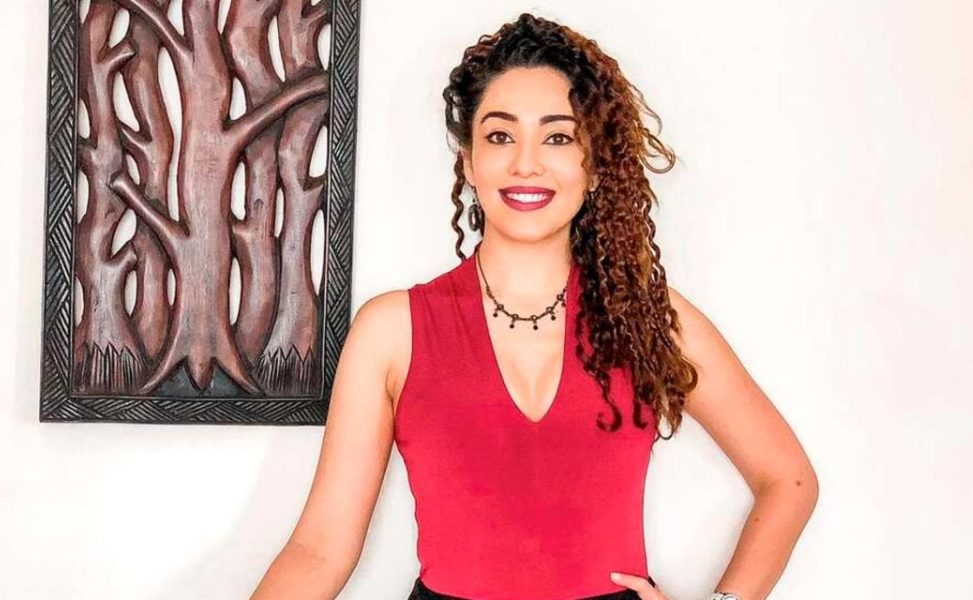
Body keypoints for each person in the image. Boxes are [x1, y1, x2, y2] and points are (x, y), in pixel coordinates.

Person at [251, 12, 818, 600]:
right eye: (500, 136)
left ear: (594, 164)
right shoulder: (392, 330)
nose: (526, 162)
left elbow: (788, 480)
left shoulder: (651, 319)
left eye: (557, 136)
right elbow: (320, 549)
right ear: (469, 162)